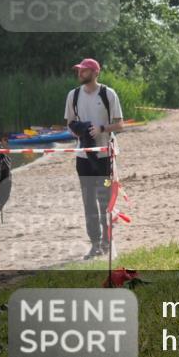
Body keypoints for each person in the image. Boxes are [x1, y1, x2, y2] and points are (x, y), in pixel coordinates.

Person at [64, 58, 124, 259]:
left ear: (95, 72)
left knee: (105, 201)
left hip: (104, 156)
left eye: (84, 70)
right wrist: (79, 130)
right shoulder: (73, 95)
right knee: (88, 202)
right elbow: (70, 124)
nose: (80, 73)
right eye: (79, 70)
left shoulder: (108, 94)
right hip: (83, 158)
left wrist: (101, 129)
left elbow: (120, 124)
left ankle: (108, 241)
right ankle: (95, 244)